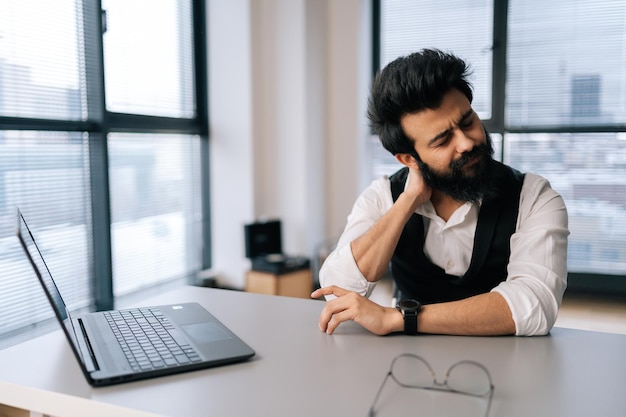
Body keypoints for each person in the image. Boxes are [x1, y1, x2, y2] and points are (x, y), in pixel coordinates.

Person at [311, 49, 569, 337]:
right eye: (443, 140)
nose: (466, 143)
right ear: (409, 159)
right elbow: (336, 293)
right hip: (407, 362)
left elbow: (535, 305)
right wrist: (407, 202)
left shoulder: (534, 197)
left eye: (468, 121)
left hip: (507, 361)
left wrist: (399, 318)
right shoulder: (384, 195)